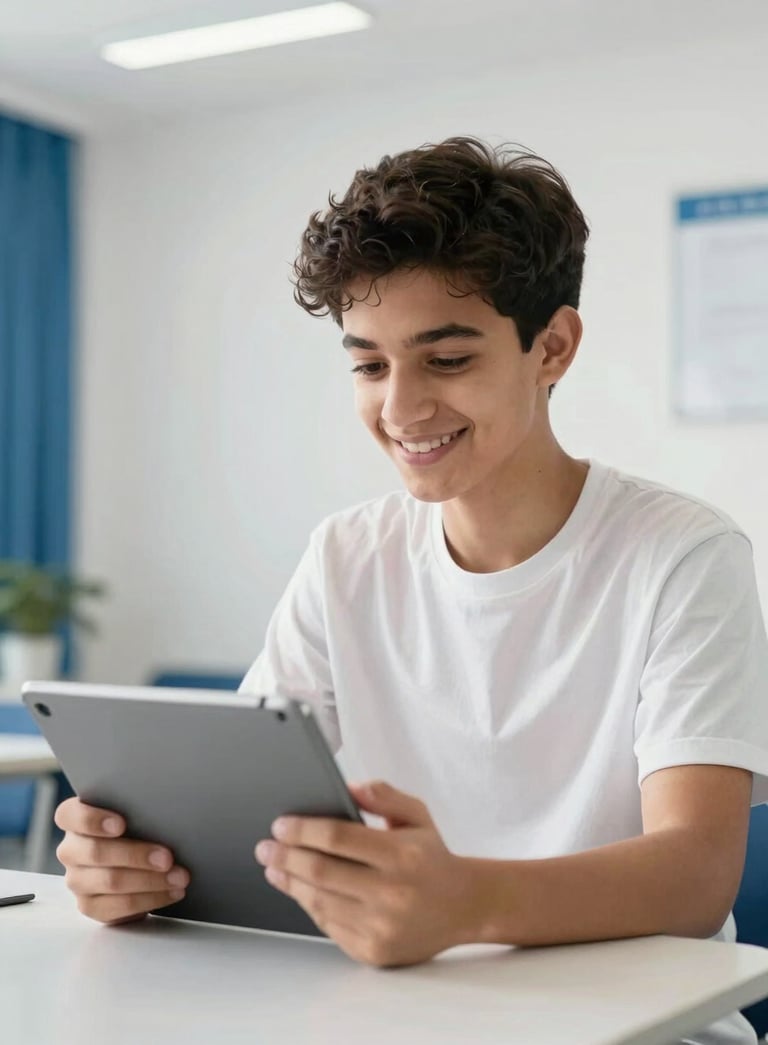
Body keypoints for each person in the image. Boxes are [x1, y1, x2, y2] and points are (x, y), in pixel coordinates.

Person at [55, 137, 768, 1044]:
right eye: (369, 364)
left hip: (644, 1025)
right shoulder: (347, 554)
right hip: (401, 1012)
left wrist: (466, 900)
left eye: (446, 359)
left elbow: (696, 873)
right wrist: (146, 864)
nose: (400, 408)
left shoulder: (683, 552)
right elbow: (239, 815)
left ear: (551, 347)